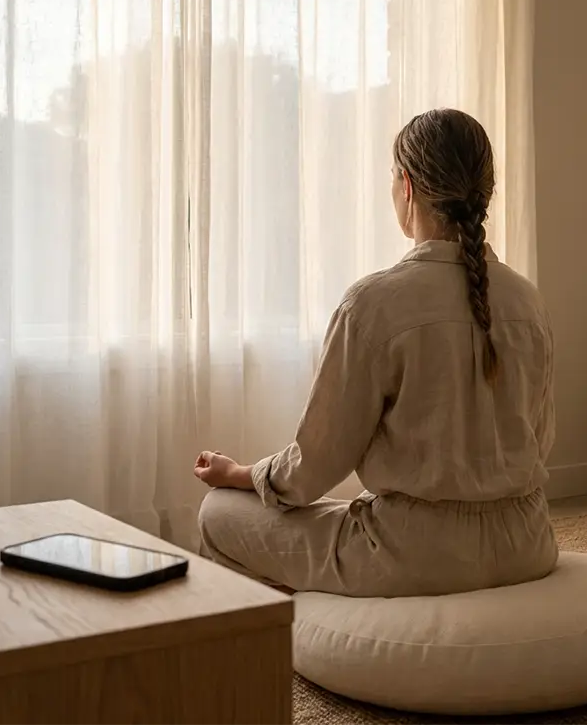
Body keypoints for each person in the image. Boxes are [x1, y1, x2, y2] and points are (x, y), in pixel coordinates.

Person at [196, 108, 558, 598]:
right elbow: (540, 440)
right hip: (528, 546)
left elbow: (311, 472)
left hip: (414, 557)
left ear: (406, 185)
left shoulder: (371, 304)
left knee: (218, 512)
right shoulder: (528, 300)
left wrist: (242, 474)